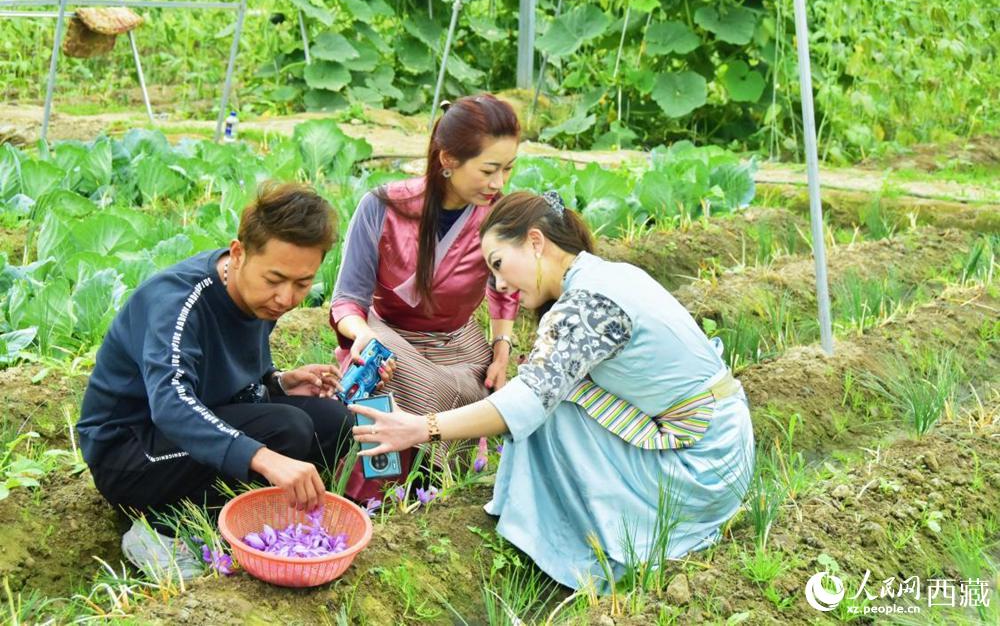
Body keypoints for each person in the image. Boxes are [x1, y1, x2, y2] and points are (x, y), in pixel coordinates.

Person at [349, 190, 755, 589]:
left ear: (536, 242)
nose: (501, 284)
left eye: (500, 264)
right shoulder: (607, 276)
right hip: (722, 447)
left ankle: (579, 541)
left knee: (549, 407)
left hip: (703, 467)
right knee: (552, 394)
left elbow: (528, 400)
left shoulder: (588, 303)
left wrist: (424, 427)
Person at [77, 183, 359, 578]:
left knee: (335, 422)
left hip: (193, 427)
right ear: (239, 253)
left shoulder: (257, 295)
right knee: (286, 432)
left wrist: (277, 383)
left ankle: (252, 522)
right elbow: (172, 404)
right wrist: (265, 457)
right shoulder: (177, 302)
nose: (285, 297)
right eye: (276, 279)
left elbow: (230, 373)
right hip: (131, 452)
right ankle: (165, 531)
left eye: (302, 283)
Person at [329, 94, 520, 501]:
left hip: (455, 341)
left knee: (475, 392)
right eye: (489, 169)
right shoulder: (383, 207)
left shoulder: (497, 217)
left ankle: (437, 487)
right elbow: (347, 299)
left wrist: (501, 349)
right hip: (388, 331)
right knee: (384, 370)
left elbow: (506, 288)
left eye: (507, 169)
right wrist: (360, 335)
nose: (499, 183)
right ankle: (371, 495)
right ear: (448, 159)